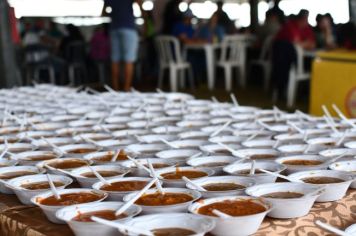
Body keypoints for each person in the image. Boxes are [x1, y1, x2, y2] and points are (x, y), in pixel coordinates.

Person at [271, 9, 315, 99]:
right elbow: (296, 43)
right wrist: (305, 43)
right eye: (303, 18)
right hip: (284, 59)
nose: (305, 20)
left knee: (313, 65)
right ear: (299, 18)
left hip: (297, 57)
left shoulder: (307, 27)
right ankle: (285, 90)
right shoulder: (290, 25)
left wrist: (304, 43)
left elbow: (312, 44)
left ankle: (303, 92)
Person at [104, 0, 142, 91]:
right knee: (129, 59)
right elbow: (139, 3)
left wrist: (115, 13)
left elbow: (103, 12)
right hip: (128, 27)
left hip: (114, 27)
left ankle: (115, 88)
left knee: (115, 60)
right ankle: (126, 88)